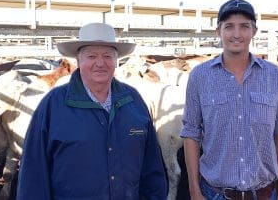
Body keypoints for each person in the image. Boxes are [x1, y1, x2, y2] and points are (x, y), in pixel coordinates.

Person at [17, 22, 168, 199]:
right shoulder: (53, 105)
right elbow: (33, 175)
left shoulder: (133, 101)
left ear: (116, 61)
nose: (100, 63)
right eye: (91, 56)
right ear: (78, 61)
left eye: (107, 56)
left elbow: (152, 168)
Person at [181, 0, 278, 200]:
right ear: (218, 32)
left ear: (254, 31)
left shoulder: (275, 76)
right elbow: (191, 134)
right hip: (214, 193)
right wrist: (194, 191)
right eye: (229, 27)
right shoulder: (199, 77)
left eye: (244, 26)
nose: (236, 34)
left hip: (264, 192)